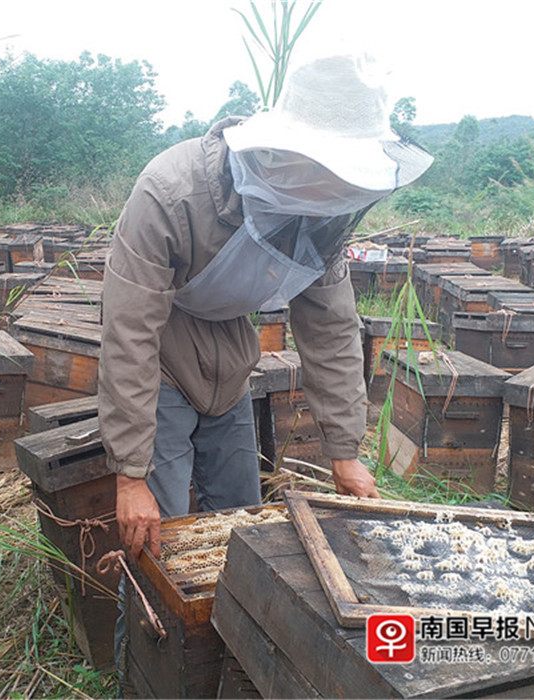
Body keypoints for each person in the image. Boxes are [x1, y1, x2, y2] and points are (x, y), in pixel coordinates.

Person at [99, 55, 434, 562]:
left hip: (231, 364)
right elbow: (128, 331)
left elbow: (332, 329)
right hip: (158, 361)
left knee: (244, 526)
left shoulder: (320, 218)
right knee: (158, 541)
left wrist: (344, 452)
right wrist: (130, 475)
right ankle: (148, 641)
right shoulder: (172, 190)